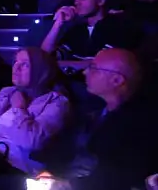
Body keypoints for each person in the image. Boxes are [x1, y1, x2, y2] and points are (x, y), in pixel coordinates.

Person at [0, 48, 70, 182]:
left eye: (24, 64)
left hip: (19, 168)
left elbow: (32, 141)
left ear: (40, 70)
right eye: (15, 62)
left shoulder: (56, 102)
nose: (16, 68)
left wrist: (19, 109)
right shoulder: (7, 92)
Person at [65, 49, 157, 190]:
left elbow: (119, 175)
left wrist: (70, 185)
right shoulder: (90, 111)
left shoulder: (142, 124)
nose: (84, 72)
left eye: (93, 68)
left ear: (117, 80)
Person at [42, 0, 142, 71]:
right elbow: (44, 56)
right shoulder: (77, 30)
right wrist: (58, 23)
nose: (77, 3)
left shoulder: (118, 26)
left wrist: (56, 64)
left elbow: (101, 63)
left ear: (100, 0)